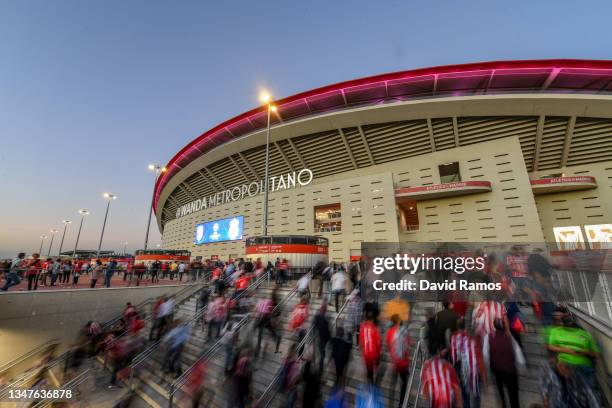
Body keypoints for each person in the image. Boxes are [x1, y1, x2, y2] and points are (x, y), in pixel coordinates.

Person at [545, 314, 599, 389]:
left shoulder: (585, 334)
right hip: (566, 363)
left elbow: (596, 354)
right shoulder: (556, 331)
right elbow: (550, 346)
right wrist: (566, 350)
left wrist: (585, 352)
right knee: (563, 369)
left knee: (589, 387)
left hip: (584, 365)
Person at [483, 318, 523, 408]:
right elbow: (518, 353)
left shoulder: (488, 337)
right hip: (510, 369)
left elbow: (485, 354)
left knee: (500, 387)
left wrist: (489, 366)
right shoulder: (509, 336)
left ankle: (503, 403)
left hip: (497, 368)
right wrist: (519, 367)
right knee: (513, 392)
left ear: (494, 326)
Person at [385, 314, 411, 407]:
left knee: (393, 383)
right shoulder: (405, 331)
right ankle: (401, 403)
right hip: (403, 363)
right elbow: (408, 346)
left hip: (395, 362)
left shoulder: (390, 332)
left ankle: (390, 403)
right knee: (404, 383)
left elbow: (388, 345)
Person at [359, 310, 381, 383]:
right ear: (372, 319)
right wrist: (378, 354)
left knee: (369, 370)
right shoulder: (375, 329)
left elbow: (360, 341)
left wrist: (361, 350)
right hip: (373, 353)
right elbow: (378, 343)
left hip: (365, 353)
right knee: (372, 371)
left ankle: (369, 383)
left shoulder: (362, 327)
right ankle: (372, 385)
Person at [314, 304, 331, 373]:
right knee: (322, 355)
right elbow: (326, 331)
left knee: (321, 354)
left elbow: (315, 325)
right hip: (322, 339)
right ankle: (319, 371)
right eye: (325, 310)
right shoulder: (324, 320)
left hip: (320, 338)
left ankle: (318, 368)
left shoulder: (317, 317)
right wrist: (330, 339)